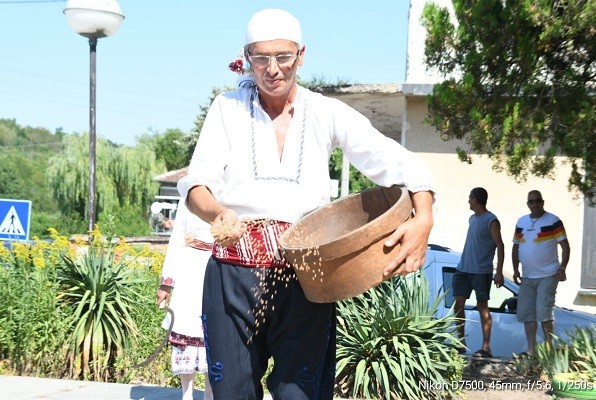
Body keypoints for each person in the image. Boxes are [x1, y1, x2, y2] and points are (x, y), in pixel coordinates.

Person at [177, 8, 435, 400]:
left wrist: (425, 217)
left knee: (301, 393)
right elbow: (197, 184)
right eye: (260, 58)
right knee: (231, 392)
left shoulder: (325, 112)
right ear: (247, 57)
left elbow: (391, 160)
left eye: (283, 57)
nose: (272, 69)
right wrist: (218, 213)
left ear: (301, 54)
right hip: (232, 274)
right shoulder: (226, 108)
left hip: (306, 276)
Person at [156, 199, 214, 400]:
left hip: (218, 267)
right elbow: (177, 239)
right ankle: (186, 395)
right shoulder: (188, 197)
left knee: (214, 334)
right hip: (190, 268)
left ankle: (209, 394)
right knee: (186, 330)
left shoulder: (229, 190)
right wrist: (166, 283)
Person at [512, 190, 570, 357]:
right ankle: (531, 350)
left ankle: (549, 349)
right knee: (528, 313)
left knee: (544, 311)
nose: (535, 204)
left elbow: (565, 246)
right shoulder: (521, 222)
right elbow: (516, 246)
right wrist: (515, 269)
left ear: (543, 202)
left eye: (538, 201)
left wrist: (562, 267)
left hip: (548, 274)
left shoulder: (553, 221)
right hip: (527, 275)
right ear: (527, 204)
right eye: (531, 201)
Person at [452, 187, 504, 358]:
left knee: (482, 306)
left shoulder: (491, 220)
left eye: (470, 198)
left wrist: (499, 272)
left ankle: (486, 347)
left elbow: (500, 245)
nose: (468, 201)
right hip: (463, 269)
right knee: (458, 304)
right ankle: (460, 341)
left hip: (481, 271)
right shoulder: (471, 219)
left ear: (475, 199)